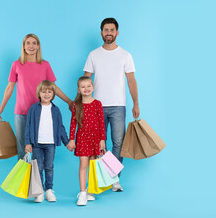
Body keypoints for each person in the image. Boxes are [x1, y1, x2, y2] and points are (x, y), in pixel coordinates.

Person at [0, 34, 73, 160]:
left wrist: (69, 101)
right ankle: (24, 179)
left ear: (38, 46)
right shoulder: (16, 65)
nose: (31, 46)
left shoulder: (45, 65)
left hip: (41, 113)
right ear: (24, 46)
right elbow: (9, 87)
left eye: (34, 43)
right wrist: (1, 108)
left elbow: (53, 86)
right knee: (22, 149)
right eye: (28, 43)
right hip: (22, 112)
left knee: (36, 150)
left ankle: (35, 179)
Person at [83, 18, 140, 192]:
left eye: (112, 30)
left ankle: (113, 178)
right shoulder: (94, 54)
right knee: (99, 144)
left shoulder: (125, 55)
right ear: (101, 33)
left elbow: (131, 81)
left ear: (117, 33)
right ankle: (102, 178)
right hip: (96, 105)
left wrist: (136, 104)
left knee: (118, 143)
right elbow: (86, 79)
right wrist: (81, 103)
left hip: (118, 105)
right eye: (106, 30)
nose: (109, 33)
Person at [24, 80, 73, 203]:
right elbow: (28, 126)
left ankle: (49, 190)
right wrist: (27, 142)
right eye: (44, 92)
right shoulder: (33, 109)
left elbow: (60, 127)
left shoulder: (56, 110)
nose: (46, 94)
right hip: (36, 144)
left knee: (49, 167)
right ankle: (39, 191)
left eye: (49, 92)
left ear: (53, 94)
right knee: (38, 167)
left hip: (50, 143)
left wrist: (66, 142)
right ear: (39, 93)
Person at [68, 76, 106, 206]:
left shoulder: (97, 104)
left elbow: (102, 123)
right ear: (78, 90)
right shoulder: (76, 105)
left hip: (95, 138)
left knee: (93, 165)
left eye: (88, 86)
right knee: (83, 164)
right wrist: (71, 139)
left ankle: (91, 190)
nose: (86, 89)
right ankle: (82, 193)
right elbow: (73, 123)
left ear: (93, 87)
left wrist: (102, 140)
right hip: (83, 137)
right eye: (83, 87)